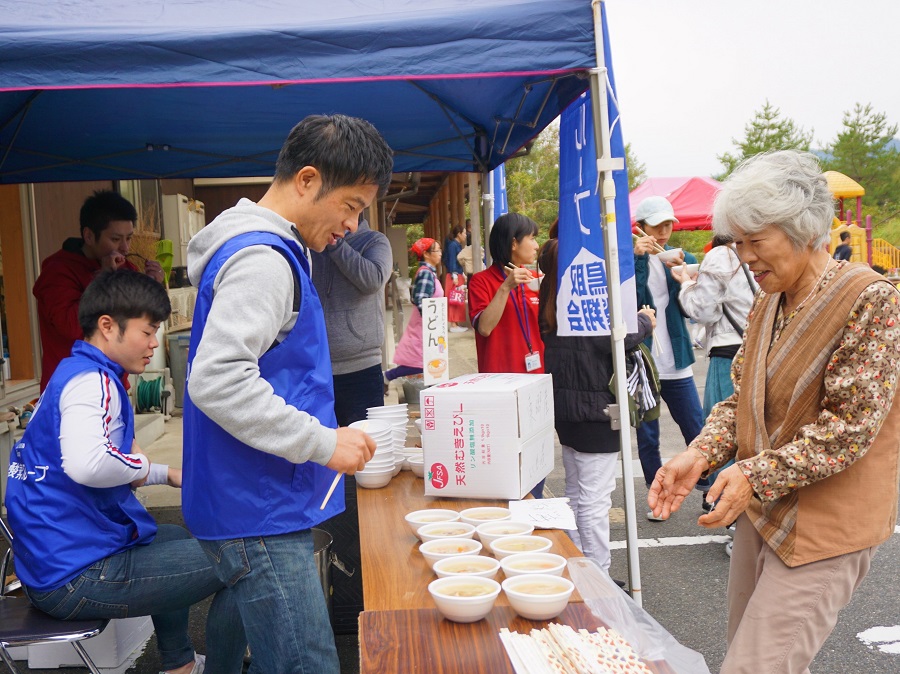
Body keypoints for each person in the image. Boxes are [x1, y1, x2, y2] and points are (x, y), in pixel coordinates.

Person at [649, 150, 900, 674]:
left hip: (828, 525)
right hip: (766, 511)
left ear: (803, 229)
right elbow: (742, 398)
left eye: (755, 242)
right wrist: (698, 454)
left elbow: (849, 429)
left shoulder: (870, 300)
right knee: (760, 656)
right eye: (738, 243)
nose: (745, 257)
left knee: (755, 667)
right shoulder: (771, 299)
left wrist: (750, 472)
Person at [182, 114, 391, 673]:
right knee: (307, 664)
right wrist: (322, 442)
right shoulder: (265, 259)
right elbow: (217, 377)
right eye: (349, 206)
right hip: (260, 507)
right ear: (306, 179)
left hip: (253, 498)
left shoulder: (268, 248)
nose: (351, 225)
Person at [6, 270, 245, 674]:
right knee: (244, 560)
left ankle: (179, 665)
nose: (155, 343)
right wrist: (154, 469)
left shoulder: (70, 373)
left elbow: (99, 461)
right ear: (107, 326)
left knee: (171, 536)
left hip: (48, 563)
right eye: (147, 331)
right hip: (74, 576)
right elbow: (88, 463)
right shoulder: (92, 383)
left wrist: (163, 472)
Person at [538, 238, 655, 572]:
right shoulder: (581, 295)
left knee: (577, 492)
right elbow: (615, 337)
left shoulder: (551, 292)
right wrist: (645, 321)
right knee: (594, 499)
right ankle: (597, 574)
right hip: (596, 408)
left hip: (567, 408)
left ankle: (579, 566)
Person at [32, 190, 165, 391]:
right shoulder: (57, 271)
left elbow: (138, 321)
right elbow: (72, 326)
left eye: (128, 238)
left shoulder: (126, 268)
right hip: (73, 384)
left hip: (115, 381)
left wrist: (152, 287)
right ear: (89, 235)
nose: (125, 248)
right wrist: (102, 277)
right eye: (115, 239)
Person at [673, 234, 757, 532]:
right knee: (754, 433)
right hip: (760, 349)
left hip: (728, 354)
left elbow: (702, 310)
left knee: (726, 433)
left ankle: (729, 514)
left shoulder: (721, 255)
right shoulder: (766, 250)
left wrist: (685, 282)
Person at [632, 196, 706, 519]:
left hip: (676, 359)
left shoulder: (682, 257)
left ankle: (713, 490)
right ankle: (657, 497)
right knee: (648, 435)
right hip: (644, 361)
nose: (663, 232)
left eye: (668, 225)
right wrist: (637, 258)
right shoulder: (629, 259)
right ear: (641, 227)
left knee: (698, 428)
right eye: (656, 226)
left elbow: (689, 304)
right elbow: (630, 300)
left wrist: (682, 272)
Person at [468, 212, 545, 497]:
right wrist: (507, 286)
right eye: (532, 238)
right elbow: (485, 328)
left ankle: (533, 517)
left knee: (535, 459)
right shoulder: (481, 281)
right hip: (499, 388)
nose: (536, 245)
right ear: (514, 243)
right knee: (504, 460)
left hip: (535, 383)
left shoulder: (537, 278)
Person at [311, 213, 393, 426]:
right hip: (316, 366)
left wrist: (336, 244)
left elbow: (373, 280)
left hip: (362, 368)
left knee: (365, 449)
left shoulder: (375, 241)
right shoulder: (312, 244)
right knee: (322, 450)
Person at [384, 237, 442, 383]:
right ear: (426, 254)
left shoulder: (429, 272)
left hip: (429, 327)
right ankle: (387, 376)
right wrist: (431, 321)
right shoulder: (426, 274)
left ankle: (388, 376)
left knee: (428, 362)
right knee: (421, 363)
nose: (440, 253)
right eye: (437, 250)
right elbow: (420, 298)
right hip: (425, 327)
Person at [443, 224, 469, 332]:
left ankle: (456, 323)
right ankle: (453, 324)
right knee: (454, 299)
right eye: (463, 233)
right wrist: (454, 275)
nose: (465, 235)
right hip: (454, 276)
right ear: (458, 234)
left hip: (458, 274)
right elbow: (452, 261)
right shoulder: (453, 245)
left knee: (457, 299)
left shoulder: (456, 244)